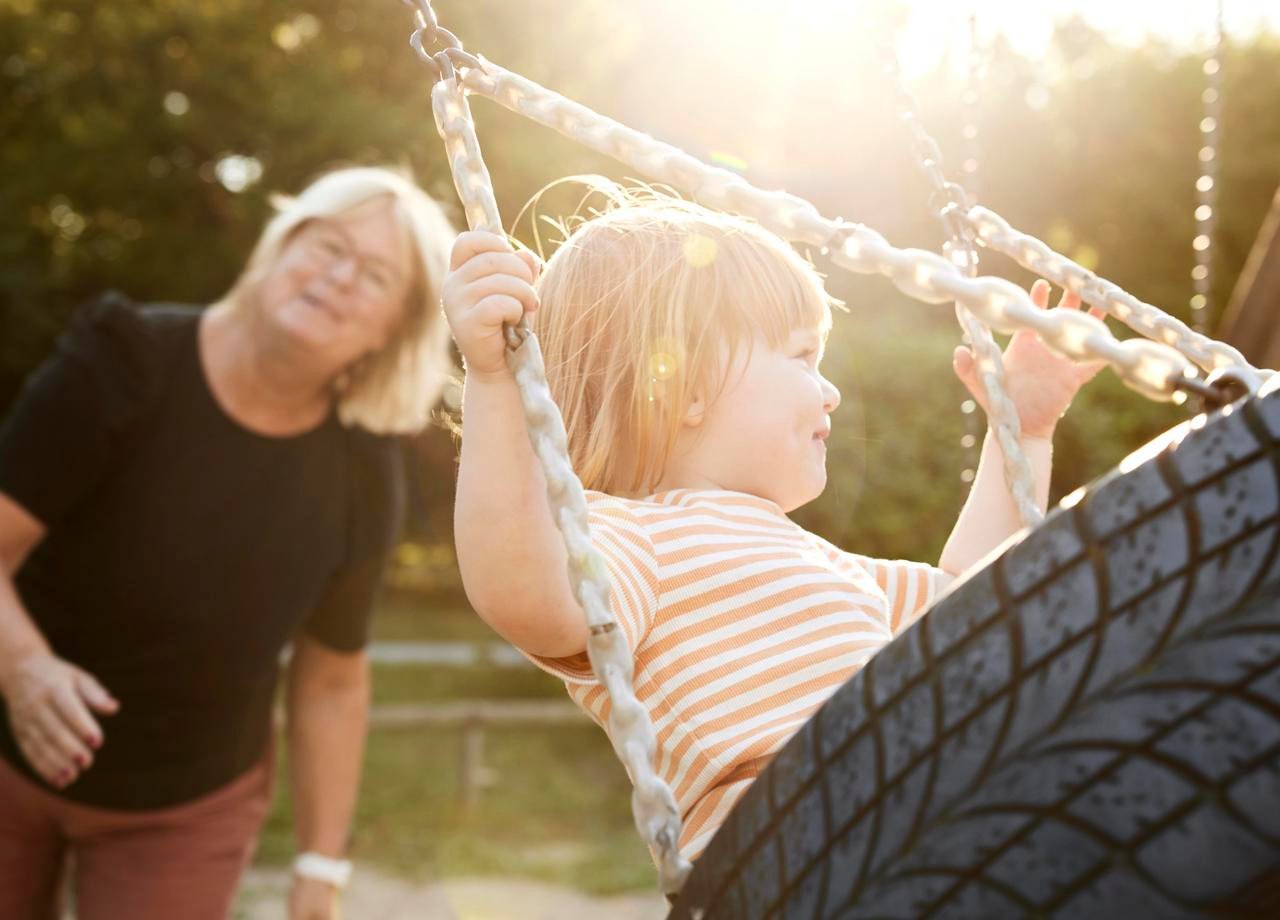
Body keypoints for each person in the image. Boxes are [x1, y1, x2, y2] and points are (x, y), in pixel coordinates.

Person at [441, 182, 1103, 861]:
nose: (832, 390)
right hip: (803, 858)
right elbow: (523, 591)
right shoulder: (638, 539)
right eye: (801, 358)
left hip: (928, 833)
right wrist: (496, 383)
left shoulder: (824, 564)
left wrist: (1018, 432)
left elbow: (973, 603)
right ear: (683, 387)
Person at [0, 166, 455, 919]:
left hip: (186, 808)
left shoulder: (364, 470)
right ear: (282, 243)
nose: (340, 277)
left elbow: (332, 678)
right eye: (328, 245)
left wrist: (319, 865)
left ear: (392, 331)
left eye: (375, 275)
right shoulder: (125, 361)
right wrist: (23, 669)